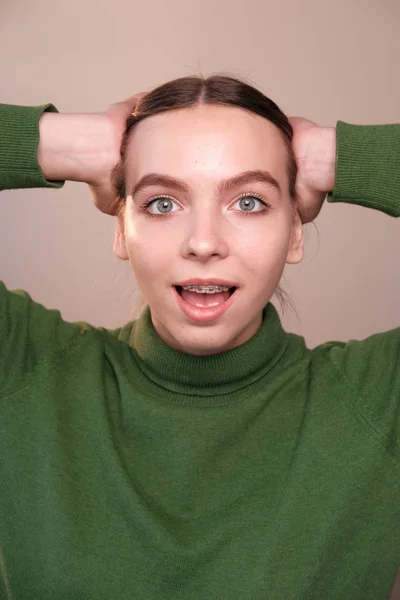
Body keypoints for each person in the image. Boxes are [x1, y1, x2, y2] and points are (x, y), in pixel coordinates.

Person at [0, 75, 399, 600]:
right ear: (121, 229)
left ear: (296, 231)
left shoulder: (377, 399)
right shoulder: (25, 365)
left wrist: (338, 157)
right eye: (162, 203)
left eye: (250, 201)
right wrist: (63, 142)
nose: (204, 242)